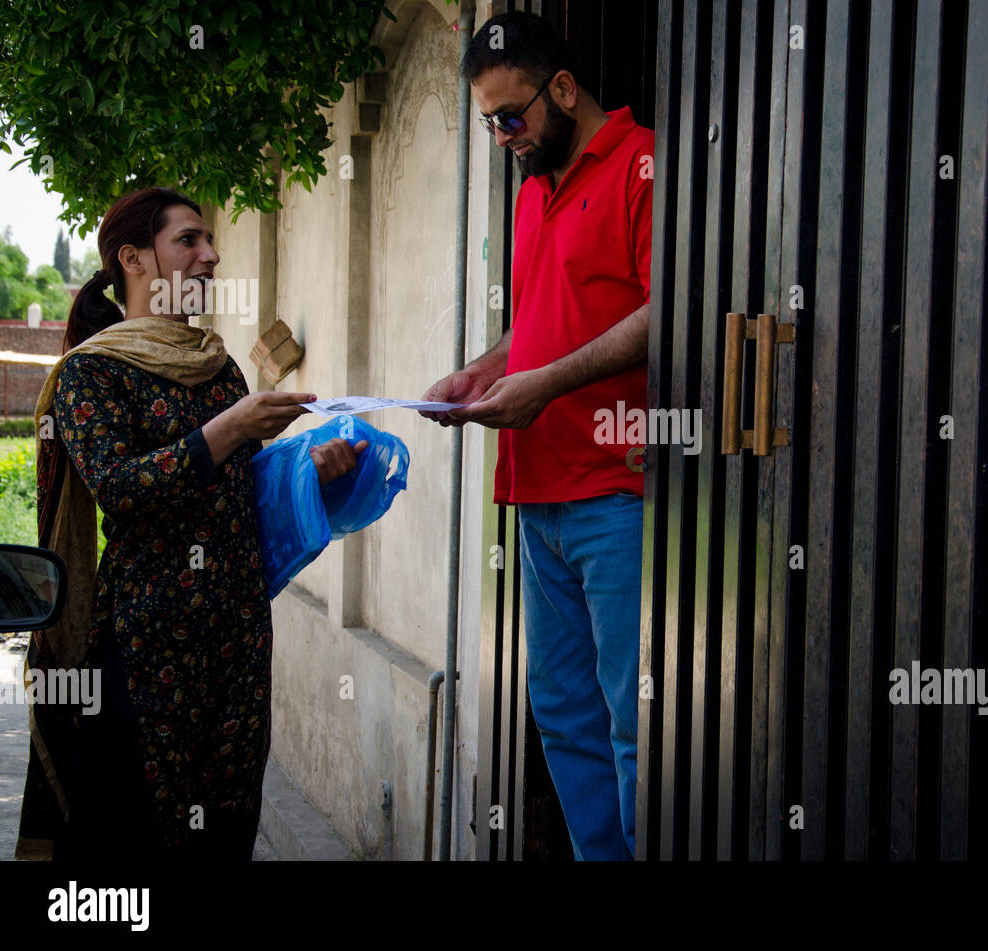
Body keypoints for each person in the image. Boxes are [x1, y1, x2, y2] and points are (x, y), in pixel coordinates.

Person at [16, 187, 365, 860]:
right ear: (134, 258)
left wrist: (310, 471)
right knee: (137, 837)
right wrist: (229, 427)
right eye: (189, 241)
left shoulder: (217, 366)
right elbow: (120, 488)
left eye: (209, 241)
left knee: (225, 831)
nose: (210, 254)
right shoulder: (93, 373)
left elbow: (246, 493)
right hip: (149, 648)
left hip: (234, 642)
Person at [422, 11, 652, 861]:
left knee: (635, 722)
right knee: (562, 715)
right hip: (534, 490)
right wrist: (479, 373)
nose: (502, 136)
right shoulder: (530, 192)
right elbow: (538, 327)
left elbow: (670, 312)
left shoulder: (642, 164)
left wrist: (546, 385)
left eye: (512, 115)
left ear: (563, 88)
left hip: (615, 489)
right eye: (488, 121)